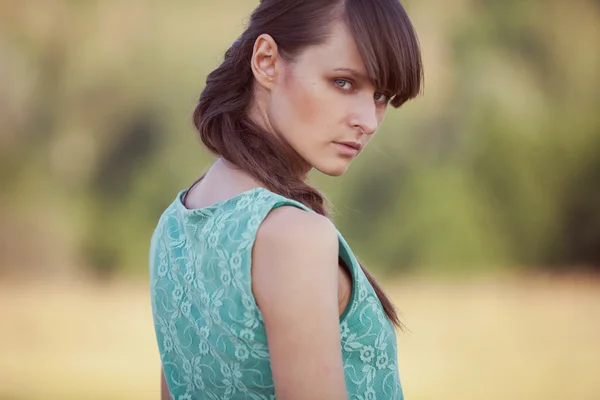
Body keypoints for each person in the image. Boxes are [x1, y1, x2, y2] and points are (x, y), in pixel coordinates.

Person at [149, 0, 423, 398]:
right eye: (343, 82)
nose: (367, 119)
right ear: (267, 61)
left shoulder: (175, 224)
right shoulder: (296, 237)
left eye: (381, 95)